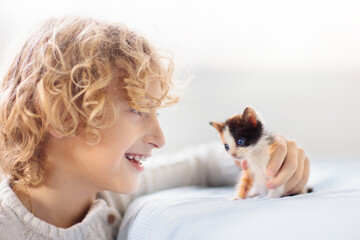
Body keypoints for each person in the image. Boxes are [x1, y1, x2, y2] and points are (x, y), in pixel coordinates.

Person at [0, 16, 310, 240]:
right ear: (60, 116)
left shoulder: (108, 198)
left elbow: (202, 165)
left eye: (156, 113)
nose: (160, 139)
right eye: (137, 109)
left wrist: (271, 159)